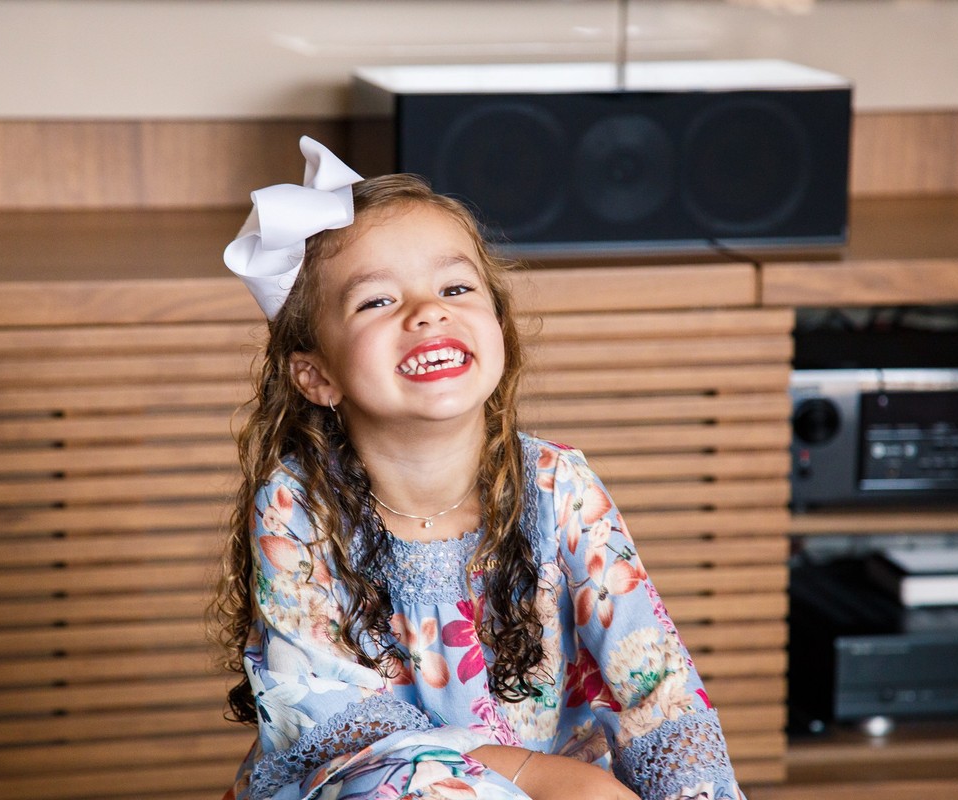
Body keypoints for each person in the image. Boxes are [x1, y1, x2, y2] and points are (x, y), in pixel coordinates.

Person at [212, 136, 746, 800]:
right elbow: (344, 731)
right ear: (317, 374)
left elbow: (657, 691)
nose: (428, 310)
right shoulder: (298, 506)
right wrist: (536, 774)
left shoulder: (558, 487)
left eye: (456, 287)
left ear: (497, 323)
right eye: (377, 301)